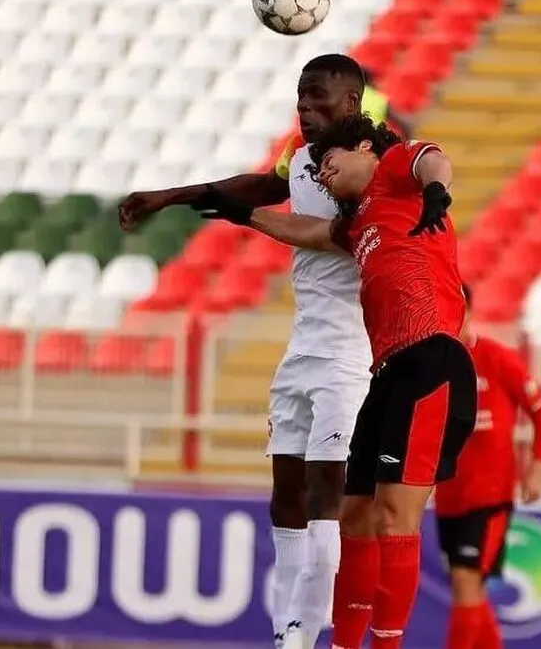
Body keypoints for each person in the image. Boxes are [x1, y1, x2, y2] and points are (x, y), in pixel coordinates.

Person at [119, 54, 383, 649]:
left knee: (326, 491)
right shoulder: (303, 156)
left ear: (351, 102)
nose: (306, 109)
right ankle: (285, 627)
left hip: (351, 354)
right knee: (285, 493)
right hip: (302, 348)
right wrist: (173, 195)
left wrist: (251, 219)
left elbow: (336, 236)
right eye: (301, 98)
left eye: (318, 98)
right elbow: (266, 184)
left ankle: (308, 629)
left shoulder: (373, 167)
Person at [192, 114, 477, 649]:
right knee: (355, 515)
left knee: (395, 516)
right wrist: (245, 214)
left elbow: (434, 160)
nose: (321, 175)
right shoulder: (356, 223)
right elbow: (307, 231)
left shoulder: (396, 171)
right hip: (386, 371)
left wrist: (437, 192)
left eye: (328, 162)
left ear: (365, 147)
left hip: (431, 359)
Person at [435, 284, 541, 649]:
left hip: (489, 497)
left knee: (465, 580)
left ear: (469, 312)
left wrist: (536, 467)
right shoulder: (430, 365)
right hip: (448, 498)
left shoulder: (495, 358)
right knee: (470, 588)